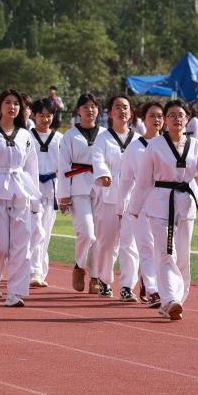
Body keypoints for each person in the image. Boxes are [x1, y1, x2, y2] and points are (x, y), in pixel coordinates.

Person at [127, 99, 198, 321]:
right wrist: (135, 206)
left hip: (185, 203)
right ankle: (171, 299)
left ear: (187, 119)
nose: (176, 119)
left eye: (180, 115)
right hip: (160, 203)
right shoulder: (155, 146)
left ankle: (174, 301)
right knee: (164, 253)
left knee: (183, 255)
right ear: (165, 120)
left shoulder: (196, 145)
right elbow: (143, 180)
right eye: (171, 115)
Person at [0, 89, 40, 307]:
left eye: (16, 103)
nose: (12, 107)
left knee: (21, 245)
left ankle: (16, 292)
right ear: (0, 107)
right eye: (8, 103)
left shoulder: (25, 135)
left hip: (20, 190)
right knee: (0, 245)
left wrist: (35, 200)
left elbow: (32, 168)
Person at [56, 93, 112, 294]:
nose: (90, 110)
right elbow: (63, 166)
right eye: (86, 106)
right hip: (78, 186)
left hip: (102, 187)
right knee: (87, 233)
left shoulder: (106, 134)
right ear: (78, 110)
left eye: (93, 106)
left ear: (98, 110)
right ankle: (79, 266)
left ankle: (95, 276)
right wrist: (63, 195)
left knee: (100, 235)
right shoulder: (70, 135)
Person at [90, 95, 140, 299]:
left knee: (130, 244)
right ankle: (104, 279)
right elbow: (97, 159)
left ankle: (127, 286)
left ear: (131, 112)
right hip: (109, 195)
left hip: (133, 197)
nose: (122, 111)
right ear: (110, 113)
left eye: (125, 107)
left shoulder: (138, 140)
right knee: (107, 242)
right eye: (117, 107)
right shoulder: (102, 138)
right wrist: (104, 174)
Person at [115, 101, 163, 306]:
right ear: (144, 119)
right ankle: (153, 290)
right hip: (141, 202)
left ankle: (151, 281)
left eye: (160, 116)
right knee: (145, 246)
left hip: (165, 202)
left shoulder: (170, 145)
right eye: (152, 116)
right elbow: (126, 179)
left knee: (163, 249)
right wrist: (121, 206)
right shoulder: (134, 147)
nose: (156, 120)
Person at [28, 98, 63, 288]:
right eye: (41, 115)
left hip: (50, 188)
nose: (45, 119)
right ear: (34, 116)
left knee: (45, 231)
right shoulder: (27, 136)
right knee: (35, 230)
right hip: (31, 188)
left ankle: (39, 271)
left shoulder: (59, 139)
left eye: (49, 115)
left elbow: (64, 167)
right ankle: (32, 270)